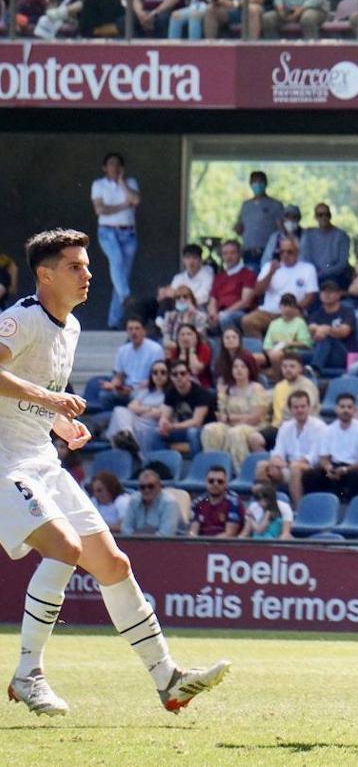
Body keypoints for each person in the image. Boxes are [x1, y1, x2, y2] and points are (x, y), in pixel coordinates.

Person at [2, 229, 228, 716]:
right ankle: (27, 674)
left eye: (87, 265)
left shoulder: (73, 327)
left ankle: (167, 678)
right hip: (4, 463)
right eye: (75, 267)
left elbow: (29, 392)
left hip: (41, 457)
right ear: (45, 274)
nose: (88, 274)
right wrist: (51, 401)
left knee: (114, 565)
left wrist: (58, 419)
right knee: (65, 548)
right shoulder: (21, 319)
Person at [91, 153, 141, 329]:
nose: (115, 167)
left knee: (121, 277)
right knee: (117, 262)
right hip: (108, 232)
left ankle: (114, 321)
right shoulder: (98, 185)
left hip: (128, 233)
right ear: (105, 167)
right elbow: (100, 209)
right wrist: (124, 205)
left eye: (118, 164)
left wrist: (122, 183)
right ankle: (126, 297)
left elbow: (135, 199)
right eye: (111, 164)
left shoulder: (130, 183)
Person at [256, 389, 324, 509]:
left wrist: (287, 464)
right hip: (289, 466)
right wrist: (281, 462)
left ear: (309, 407)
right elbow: (277, 454)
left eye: (303, 406)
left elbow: (312, 458)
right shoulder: (286, 427)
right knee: (262, 466)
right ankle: (265, 507)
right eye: (296, 407)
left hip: (313, 469)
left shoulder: (319, 427)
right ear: (291, 409)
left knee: (295, 468)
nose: (299, 410)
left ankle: (298, 509)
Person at [200, 354, 270, 471]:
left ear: (249, 369)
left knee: (235, 433)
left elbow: (255, 417)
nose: (238, 370)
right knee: (210, 429)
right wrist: (221, 396)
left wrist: (231, 418)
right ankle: (215, 470)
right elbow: (222, 415)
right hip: (231, 425)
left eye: (243, 367)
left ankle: (242, 471)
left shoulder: (256, 388)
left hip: (254, 426)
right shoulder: (229, 389)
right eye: (235, 367)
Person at [243, 235, 318, 339]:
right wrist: (271, 272)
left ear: (297, 252)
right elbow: (257, 291)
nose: (285, 255)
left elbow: (310, 296)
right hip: (268, 312)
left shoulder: (308, 269)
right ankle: (261, 351)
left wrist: (294, 309)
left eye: (289, 252)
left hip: (294, 312)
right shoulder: (269, 266)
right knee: (247, 321)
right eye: (282, 252)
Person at [302, 393, 358, 502]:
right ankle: (314, 504)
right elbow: (323, 457)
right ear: (336, 409)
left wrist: (345, 469)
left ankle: (348, 507)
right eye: (342, 407)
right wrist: (329, 468)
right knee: (312, 475)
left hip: (353, 468)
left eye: (349, 407)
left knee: (355, 476)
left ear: (354, 410)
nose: (345, 410)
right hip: (334, 467)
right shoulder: (328, 430)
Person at [105, 360, 170, 455]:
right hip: (137, 420)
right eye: (155, 372)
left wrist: (140, 409)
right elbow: (131, 406)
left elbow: (159, 414)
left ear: (168, 375)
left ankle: (126, 438)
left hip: (150, 424)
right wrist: (149, 409)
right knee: (119, 410)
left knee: (120, 418)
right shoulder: (146, 391)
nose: (159, 375)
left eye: (163, 372)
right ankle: (127, 435)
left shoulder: (169, 394)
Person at [101, 316, 164, 408]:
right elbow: (119, 377)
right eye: (130, 329)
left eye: (137, 329)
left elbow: (159, 375)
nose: (134, 332)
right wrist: (112, 385)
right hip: (126, 389)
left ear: (144, 331)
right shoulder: (122, 350)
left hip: (146, 389)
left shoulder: (155, 349)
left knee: (135, 395)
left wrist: (140, 386)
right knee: (104, 396)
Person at [159, 359, 216, 454]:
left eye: (183, 373)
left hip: (203, 430)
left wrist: (172, 426)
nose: (179, 377)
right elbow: (164, 416)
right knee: (155, 433)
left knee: (192, 432)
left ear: (189, 375)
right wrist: (163, 424)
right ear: (170, 377)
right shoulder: (170, 392)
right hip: (181, 428)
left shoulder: (201, 393)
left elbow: (196, 422)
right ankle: (161, 463)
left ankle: (196, 463)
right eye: (175, 374)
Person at [305, 279, 356, 374]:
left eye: (331, 291)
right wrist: (320, 329)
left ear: (338, 294)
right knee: (294, 356)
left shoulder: (347, 311)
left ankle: (315, 369)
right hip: (320, 352)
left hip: (341, 353)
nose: (326, 294)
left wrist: (327, 330)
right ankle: (313, 369)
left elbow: (344, 331)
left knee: (327, 338)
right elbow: (311, 328)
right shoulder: (316, 313)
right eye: (324, 291)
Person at [234, 171, 284, 267]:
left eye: (260, 181)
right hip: (249, 252)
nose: (257, 185)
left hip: (268, 251)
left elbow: (281, 229)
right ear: (250, 184)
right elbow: (240, 227)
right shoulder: (246, 205)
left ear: (265, 183)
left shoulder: (275, 204)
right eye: (254, 182)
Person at [207, 240, 256, 335]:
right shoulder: (219, 277)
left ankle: (232, 345)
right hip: (220, 314)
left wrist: (222, 314)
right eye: (225, 253)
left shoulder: (248, 274)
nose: (229, 256)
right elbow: (212, 301)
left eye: (232, 253)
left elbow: (245, 302)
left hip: (239, 313)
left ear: (239, 254)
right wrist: (213, 314)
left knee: (224, 317)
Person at [300, 204, 351, 289]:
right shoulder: (309, 235)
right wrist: (312, 273)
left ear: (330, 216)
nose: (324, 217)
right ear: (315, 217)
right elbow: (305, 257)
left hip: (334, 277)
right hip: (311, 277)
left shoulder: (341, 236)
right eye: (320, 215)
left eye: (327, 214)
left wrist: (323, 273)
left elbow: (342, 263)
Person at [120, 469, 182, 537]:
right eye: (142, 487)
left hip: (174, 545)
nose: (147, 490)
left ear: (159, 486)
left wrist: (138, 537)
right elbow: (125, 529)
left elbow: (166, 535)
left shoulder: (169, 503)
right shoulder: (134, 500)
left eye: (151, 486)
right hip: (139, 543)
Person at [187, 466, 244, 538]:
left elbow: (230, 534)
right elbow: (192, 532)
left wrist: (208, 543)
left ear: (226, 483)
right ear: (206, 482)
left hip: (225, 546)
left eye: (220, 481)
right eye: (211, 481)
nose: (215, 484)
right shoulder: (199, 504)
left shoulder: (233, 502)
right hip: (201, 545)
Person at [262, 293, 311, 375]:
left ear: (295, 308)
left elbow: (306, 343)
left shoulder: (300, 323)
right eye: (284, 305)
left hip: (292, 353)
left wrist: (288, 343)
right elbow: (267, 344)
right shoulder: (274, 323)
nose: (287, 308)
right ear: (280, 306)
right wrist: (270, 352)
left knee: (276, 355)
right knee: (256, 358)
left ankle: (277, 379)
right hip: (273, 352)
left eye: (290, 306)